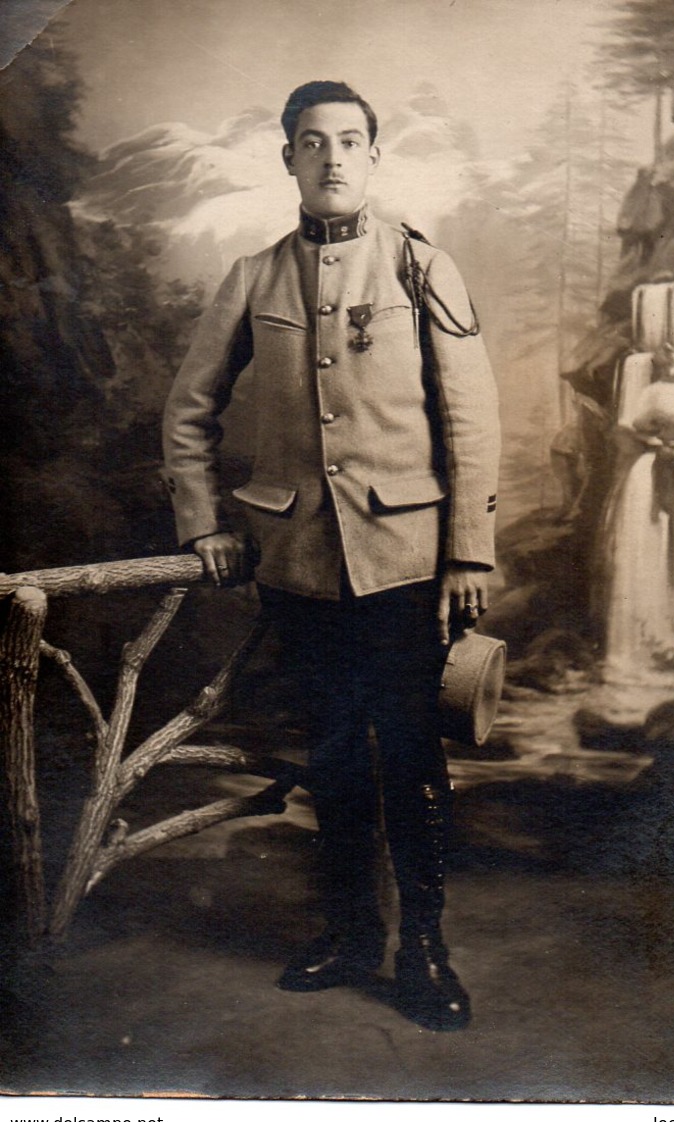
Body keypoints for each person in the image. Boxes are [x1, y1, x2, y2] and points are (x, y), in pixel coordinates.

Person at [163, 80, 501, 1032]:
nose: (333, 159)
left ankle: (423, 947)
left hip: (403, 558)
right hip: (300, 563)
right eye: (312, 143)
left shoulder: (421, 265)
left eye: (350, 141)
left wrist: (468, 553)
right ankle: (351, 932)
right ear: (288, 160)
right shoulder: (252, 277)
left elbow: (470, 419)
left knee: (410, 755)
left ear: (375, 155)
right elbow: (188, 414)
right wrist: (206, 523)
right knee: (332, 756)